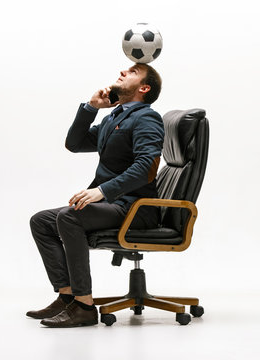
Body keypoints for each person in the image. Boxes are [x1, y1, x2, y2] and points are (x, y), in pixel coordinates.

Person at [27, 63, 164, 327]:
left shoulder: (146, 117)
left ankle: (84, 306)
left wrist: (102, 191)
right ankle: (67, 297)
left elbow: (146, 166)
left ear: (143, 88)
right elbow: (74, 144)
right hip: (115, 205)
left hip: (135, 208)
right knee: (41, 221)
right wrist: (91, 108)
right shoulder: (114, 117)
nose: (123, 72)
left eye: (133, 72)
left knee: (69, 217)